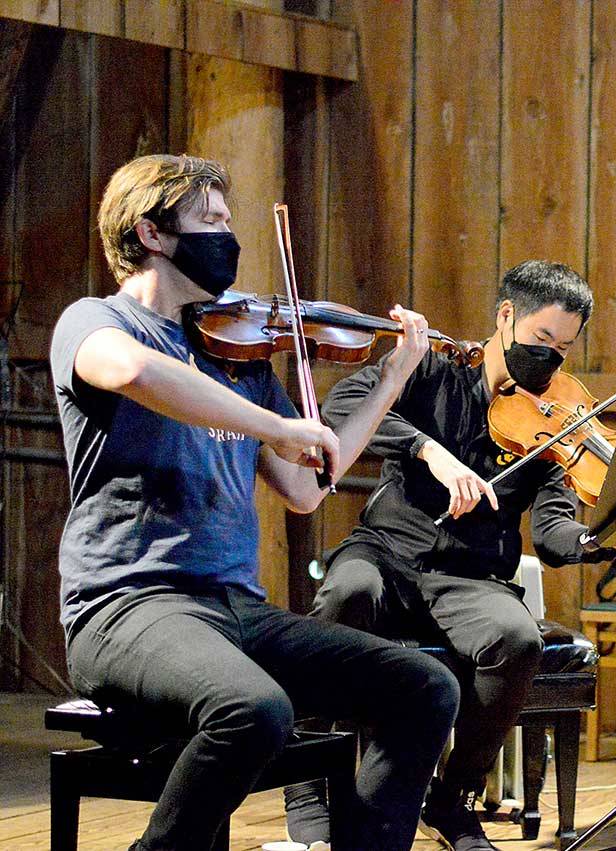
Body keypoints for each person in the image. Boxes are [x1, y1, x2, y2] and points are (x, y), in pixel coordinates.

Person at [52, 153, 460, 851]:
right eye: (211, 221)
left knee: (424, 685)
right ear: (151, 233)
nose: (228, 237)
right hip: (125, 606)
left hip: (234, 607)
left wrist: (391, 379)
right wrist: (275, 424)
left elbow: (305, 487)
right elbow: (133, 371)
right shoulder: (96, 323)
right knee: (255, 709)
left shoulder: (235, 357)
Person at [284, 260, 616, 851]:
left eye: (564, 349)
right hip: (387, 552)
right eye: (542, 339)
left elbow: (553, 532)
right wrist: (427, 450)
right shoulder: (433, 370)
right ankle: (307, 783)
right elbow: (342, 404)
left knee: (518, 638)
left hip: (471, 576)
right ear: (506, 316)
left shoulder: (557, 423)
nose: (550, 360)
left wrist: (601, 537)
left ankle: (453, 798)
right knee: (346, 593)